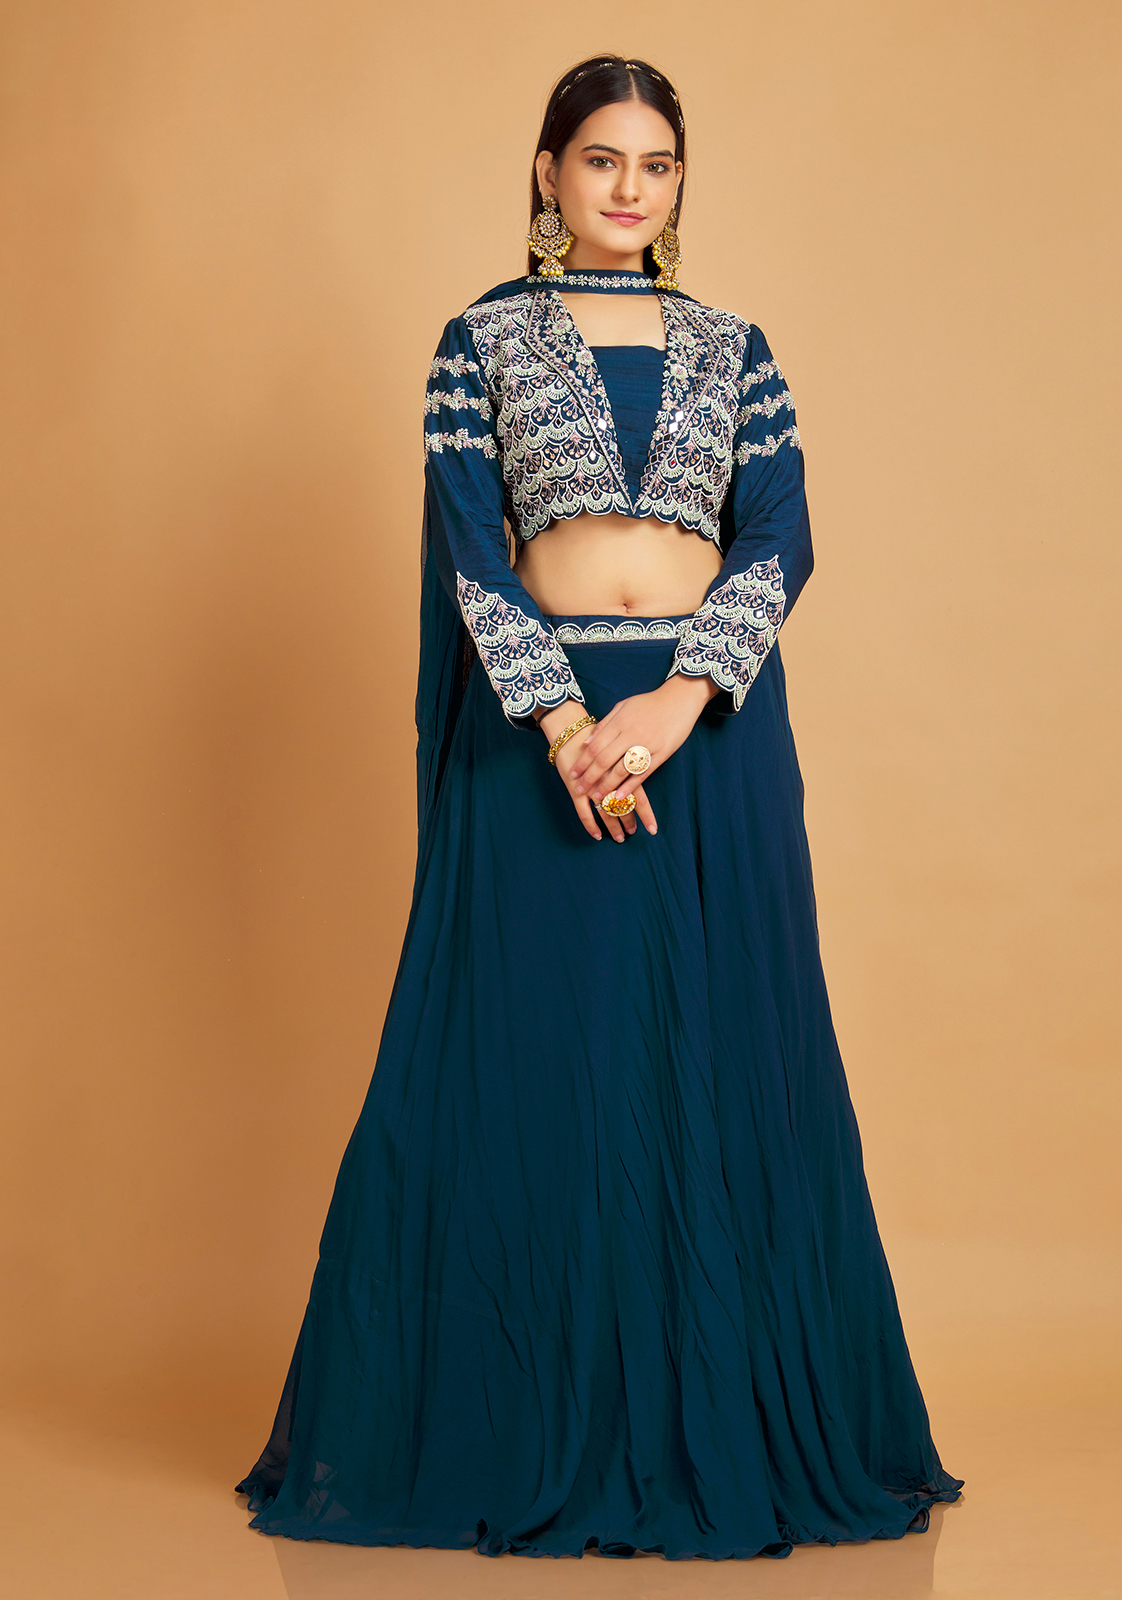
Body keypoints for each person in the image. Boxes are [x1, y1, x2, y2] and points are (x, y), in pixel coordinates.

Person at [236, 54, 962, 1560]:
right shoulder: (482, 339)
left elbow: (779, 537)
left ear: (679, 182)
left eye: (657, 164)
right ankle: (522, 1422)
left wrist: (678, 702)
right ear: (549, 172)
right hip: (539, 735)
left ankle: (724, 1427)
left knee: (722, 1056)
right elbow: (469, 547)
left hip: (708, 733)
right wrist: (567, 722)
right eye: (601, 160)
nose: (630, 188)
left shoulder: (735, 348)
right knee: (538, 1065)